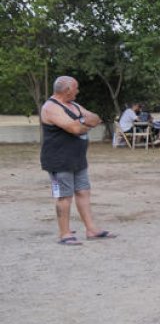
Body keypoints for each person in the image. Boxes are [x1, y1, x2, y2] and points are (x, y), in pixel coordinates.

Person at [40, 76, 115, 245]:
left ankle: (91, 229)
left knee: (83, 192)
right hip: (59, 160)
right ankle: (64, 234)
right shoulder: (51, 107)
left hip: (78, 158)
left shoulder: (73, 105)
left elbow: (95, 118)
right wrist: (82, 122)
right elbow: (74, 128)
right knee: (64, 196)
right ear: (67, 90)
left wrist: (81, 121)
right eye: (76, 88)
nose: (78, 91)